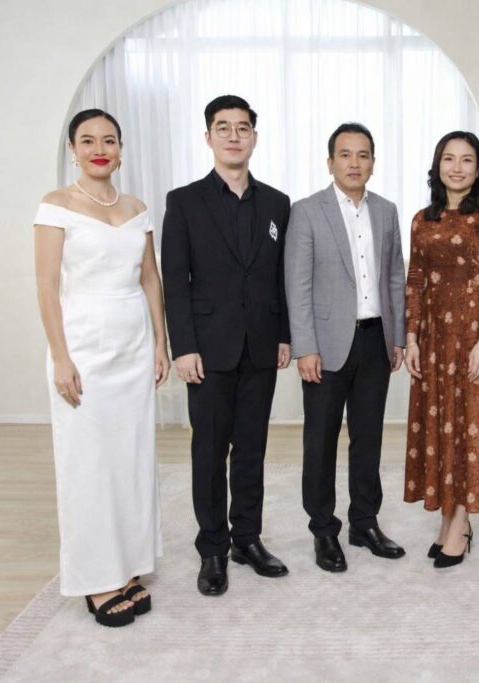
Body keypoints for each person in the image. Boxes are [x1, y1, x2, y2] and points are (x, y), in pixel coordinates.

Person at [34, 109, 168, 627]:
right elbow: (46, 286)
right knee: (87, 463)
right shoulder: (56, 206)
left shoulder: (136, 208)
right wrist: (61, 357)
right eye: (87, 140)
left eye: (109, 140)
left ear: (120, 150)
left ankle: (127, 566)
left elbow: (150, 279)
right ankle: (96, 578)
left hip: (133, 345)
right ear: (73, 150)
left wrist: (160, 343)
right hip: (84, 345)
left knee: (131, 459)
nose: (99, 149)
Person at [161, 95, 292, 596]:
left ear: (254, 137)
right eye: (223, 127)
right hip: (207, 350)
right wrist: (183, 346)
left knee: (252, 450)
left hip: (260, 346)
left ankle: (247, 540)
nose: (234, 136)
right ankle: (212, 548)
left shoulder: (277, 203)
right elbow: (176, 281)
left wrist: (284, 335)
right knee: (210, 451)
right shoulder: (184, 201)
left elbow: (281, 277)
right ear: (208, 137)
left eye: (242, 128)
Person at [284, 123, 406, 572]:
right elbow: (297, 285)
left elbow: (395, 276)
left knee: (368, 438)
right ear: (330, 162)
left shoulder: (387, 211)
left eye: (363, 155)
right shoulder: (307, 211)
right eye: (345, 154)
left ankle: (364, 523)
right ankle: (323, 530)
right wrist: (305, 347)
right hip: (326, 344)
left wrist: (398, 336)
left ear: (373, 162)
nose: (355, 163)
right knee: (320, 442)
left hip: (375, 340)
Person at [404, 131, 479, 568]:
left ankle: (462, 523)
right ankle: (447, 516)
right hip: (432, 341)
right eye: (449, 159)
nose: (457, 168)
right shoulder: (421, 219)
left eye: (467, 160)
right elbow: (415, 280)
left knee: (468, 428)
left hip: (471, 340)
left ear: (478, 168)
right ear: (438, 166)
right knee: (439, 428)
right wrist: (411, 337)